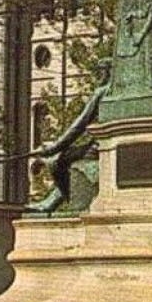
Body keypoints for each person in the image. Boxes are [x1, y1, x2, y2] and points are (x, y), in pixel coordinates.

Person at [26, 60, 111, 215]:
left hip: (100, 147)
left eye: (101, 72)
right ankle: (54, 200)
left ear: (108, 72)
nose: (99, 76)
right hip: (106, 143)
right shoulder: (115, 91)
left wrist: (54, 148)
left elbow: (79, 125)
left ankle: (59, 201)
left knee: (55, 161)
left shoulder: (102, 92)